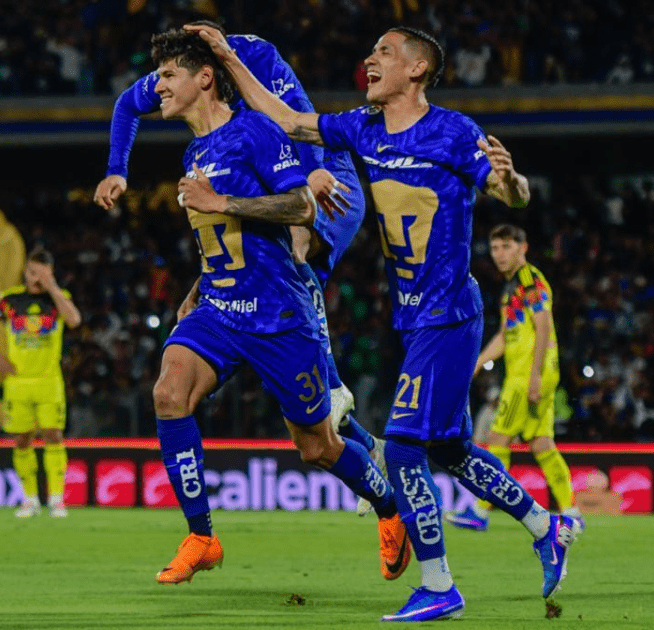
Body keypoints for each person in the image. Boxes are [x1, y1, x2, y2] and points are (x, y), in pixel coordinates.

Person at [189, 23, 577, 621]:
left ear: (417, 70)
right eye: (371, 50)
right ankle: (546, 528)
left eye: (384, 52)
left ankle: (439, 585)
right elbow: (285, 119)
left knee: (401, 450)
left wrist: (512, 180)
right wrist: (226, 56)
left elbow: (511, 195)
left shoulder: (452, 131)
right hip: (414, 318)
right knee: (452, 449)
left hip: (449, 313)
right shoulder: (363, 127)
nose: (370, 59)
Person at [144, 28, 406, 586]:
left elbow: (303, 206)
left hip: (276, 316)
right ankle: (202, 536)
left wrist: (222, 200)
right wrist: (197, 289)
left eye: (167, 75)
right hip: (219, 309)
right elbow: (225, 237)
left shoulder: (256, 131)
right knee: (169, 392)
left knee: (317, 447)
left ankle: (390, 510)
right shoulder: (195, 151)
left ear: (204, 78)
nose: (157, 86)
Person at [92, 22, 386, 515]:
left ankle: (332, 385)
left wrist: (311, 169)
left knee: (296, 247)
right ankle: (360, 443)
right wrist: (117, 169)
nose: (160, 84)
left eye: (168, 74)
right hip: (259, 178)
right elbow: (126, 104)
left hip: (322, 173)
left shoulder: (257, 55)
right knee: (257, 256)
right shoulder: (180, 72)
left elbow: (294, 119)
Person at [447, 224, 582, 531]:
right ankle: (572, 512)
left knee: (497, 438)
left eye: (507, 247)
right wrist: (478, 362)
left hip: (527, 374)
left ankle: (480, 511)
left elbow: (544, 326)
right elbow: (506, 335)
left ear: (523, 248)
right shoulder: (511, 287)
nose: (500, 254)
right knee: (542, 444)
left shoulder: (528, 281)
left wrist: (534, 376)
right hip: (536, 372)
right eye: (495, 248)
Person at [0, 245, 82, 518]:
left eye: (42, 273)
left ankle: (56, 499)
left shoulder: (59, 299)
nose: (36, 278)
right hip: (18, 382)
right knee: (22, 439)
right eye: (32, 272)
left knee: (53, 436)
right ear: (25, 271)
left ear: (51, 273)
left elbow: (74, 320)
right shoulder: (9, 300)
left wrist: (52, 287)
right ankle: (30, 499)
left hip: (49, 381)